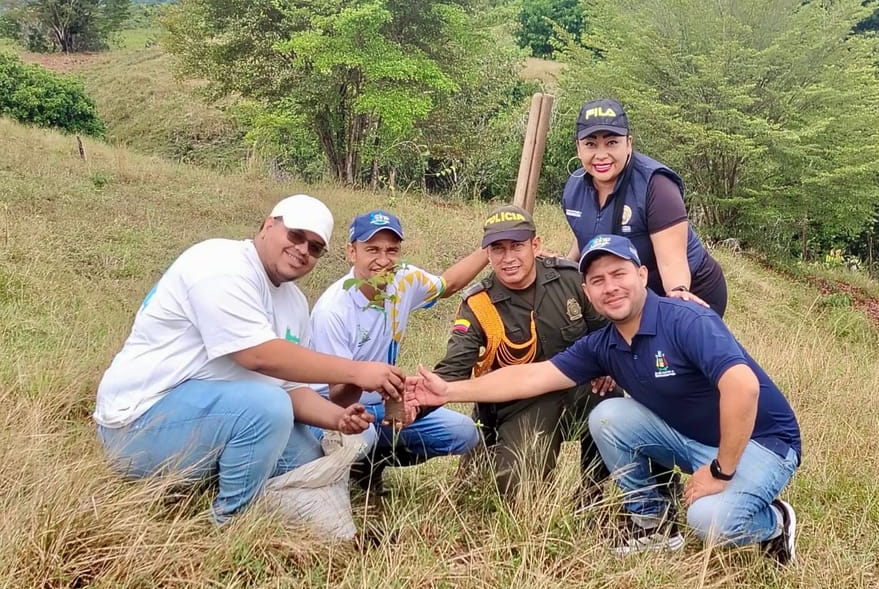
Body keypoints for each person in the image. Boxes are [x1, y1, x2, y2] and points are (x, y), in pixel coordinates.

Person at [407, 235, 801, 565]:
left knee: (709, 521)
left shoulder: (685, 320)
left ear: (643, 275)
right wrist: (449, 390)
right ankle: (651, 522)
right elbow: (532, 377)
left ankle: (775, 522)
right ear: (587, 292)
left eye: (619, 274)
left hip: (759, 443)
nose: (610, 286)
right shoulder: (603, 345)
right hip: (692, 440)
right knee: (609, 414)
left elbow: (743, 388)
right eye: (597, 280)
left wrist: (720, 470)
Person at [94, 194, 405, 525]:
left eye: (314, 247)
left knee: (312, 453)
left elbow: (290, 390)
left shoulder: (295, 303)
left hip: (213, 417)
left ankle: (223, 487)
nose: (303, 250)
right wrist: (358, 372)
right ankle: (228, 523)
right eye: (296, 236)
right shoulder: (218, 262)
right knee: (267, 408)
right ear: (268, 225)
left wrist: (339, 419)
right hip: (137, 424)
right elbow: (258, 356)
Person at [432, 205, 619, 502]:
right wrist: (416, 402)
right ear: (487, 255)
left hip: (575, 390)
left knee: (613, 402)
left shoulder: (570, 279)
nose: (508, 259)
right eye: (498, 249)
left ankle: (591, 492)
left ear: (536, 245)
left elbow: (604, 331)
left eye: (517, 246)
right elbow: (453, 370)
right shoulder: (479, 304)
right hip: (519, 405)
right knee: (517, 492)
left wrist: (610, 366)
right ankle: (486, 458)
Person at [309, 209, 487, 495]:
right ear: (351, 252)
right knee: (360, 437)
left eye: (392, 250)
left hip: (380, 405)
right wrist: (367, 378)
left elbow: (448, 284)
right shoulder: (334, 310)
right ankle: (334, 477)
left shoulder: (404, 279)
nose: (383, 260)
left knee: (463, 432)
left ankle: (371, 465)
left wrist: (491, 248)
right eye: (372, 249)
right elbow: (338, 396)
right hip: (328, 410)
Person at [562, 98, 728, 316]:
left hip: (691, 288)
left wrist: (679, 294)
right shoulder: (574, 187)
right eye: (591, 144)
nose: (601, 155)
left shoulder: (657, 186)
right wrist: (562, 265)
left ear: (628, 143)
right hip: (629, 292)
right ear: (578, 147)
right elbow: (588, 228)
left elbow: (673, 261)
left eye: (612, 143)